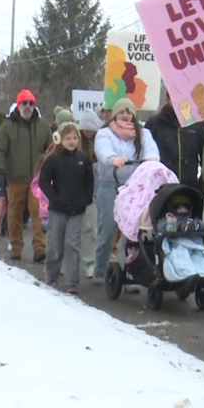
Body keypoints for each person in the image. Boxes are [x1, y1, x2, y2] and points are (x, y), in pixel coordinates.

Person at [92, 98, 160, 281]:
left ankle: (129, 271)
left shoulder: (143, 133)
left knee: (132, 232)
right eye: (122, 112)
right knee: (107, 230)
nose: (126, 115)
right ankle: (100, 269)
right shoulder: (105, 134)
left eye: (129, 112)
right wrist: (113, 159)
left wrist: (151, 158)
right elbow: (102, 150)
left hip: (134, 188)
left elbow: (151, 149)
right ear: (115, 114)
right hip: (111, 184)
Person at [0, 89, 53, 261]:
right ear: (18, 105)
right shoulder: (7, 126)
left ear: (35, 106)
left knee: (38, 212)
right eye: (24, 103)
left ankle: (40, 247)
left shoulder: (43, 126)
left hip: (37, 179)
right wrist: (0, 171)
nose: (27, 107)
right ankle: (16, 246)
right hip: (15, 177)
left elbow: (51, 149)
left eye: (31, 103)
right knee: (14, 213)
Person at [37, 122, 94, 294]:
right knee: (55, 243)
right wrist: (54, 198)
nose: (71, 141)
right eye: (68, 138)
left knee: (73, 245)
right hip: (58, 209)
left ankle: (72, 281)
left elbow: (89, 182)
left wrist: (86, 199)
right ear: (60, 139)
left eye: (75, 138)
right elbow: (43, 181)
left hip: (77, 210)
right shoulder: (53, 159)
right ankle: (52, 274)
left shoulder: (83, 160)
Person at [145, 94, 204, 192]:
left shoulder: (197, 125)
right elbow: (145, 156)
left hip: (188, 191)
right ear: (168, 98)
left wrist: (200, 190)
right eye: (175, 97)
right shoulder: (154, 123)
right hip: (159, 190)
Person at [78, 110, 103, 278]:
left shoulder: (101, 143)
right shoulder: (78, 145)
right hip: (79, 191)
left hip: (96, 192)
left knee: (92, 228)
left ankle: (92, 262)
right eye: (85, 129)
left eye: (91, 129)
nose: (88, 133)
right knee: (78, 230)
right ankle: (80, 261)